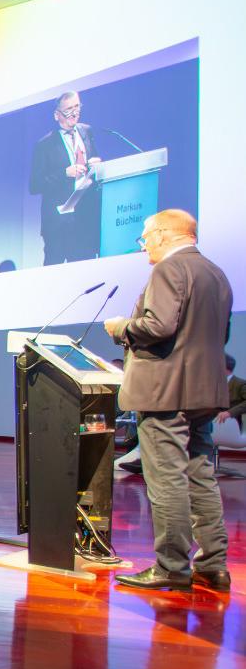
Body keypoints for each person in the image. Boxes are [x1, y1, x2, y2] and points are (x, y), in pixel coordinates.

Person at [104, 209, 232, 591]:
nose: (143, 246)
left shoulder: (168, 270)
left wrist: (120, 328)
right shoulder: (217, 274)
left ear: (162, 235)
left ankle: (171, 568)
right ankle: (213, 564)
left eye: (144, 238)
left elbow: (157, 327)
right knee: (200, 476)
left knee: (167, 482)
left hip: (164, 392)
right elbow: (218, 337)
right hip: (202, 391)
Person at [28, 90, 102, 266]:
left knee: (86, 269)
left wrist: (95, 164)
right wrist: (64, 173)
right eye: (68, 110)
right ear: (57, 114)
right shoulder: (45, 145)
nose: (74, 113)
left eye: (77, 107)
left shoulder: (86, 131)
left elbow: (92, 161)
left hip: (86, 217)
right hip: (59, 223)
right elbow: (34, 185)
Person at [216, 354, 246, 430]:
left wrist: (229, 413)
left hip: (231, 428)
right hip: (213, 427)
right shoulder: (213, 384)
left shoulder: (240, 384)